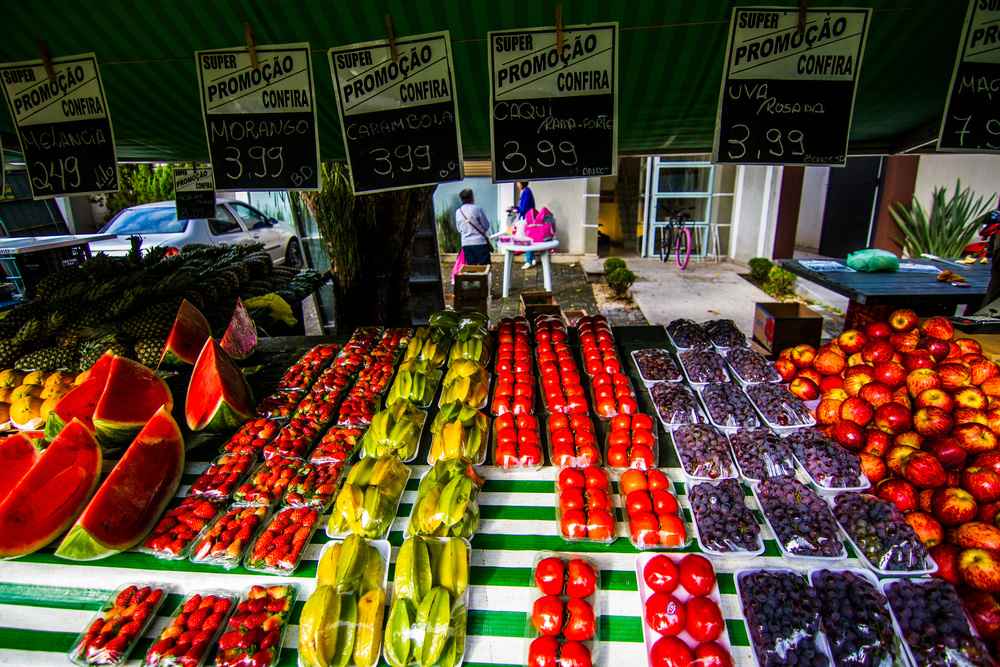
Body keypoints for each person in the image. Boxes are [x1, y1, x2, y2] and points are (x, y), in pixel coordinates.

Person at [455, 189, 493, 267]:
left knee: (471, 268)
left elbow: (459, 229)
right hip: (480, 243)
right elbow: (486, 225)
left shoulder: (458, 212)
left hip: (466, 244)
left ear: (461, 199)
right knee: (485, 267)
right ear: (472, 197)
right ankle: (485, 279)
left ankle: (473, 279)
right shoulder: (477, 209)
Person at [517, 181, 537, 268]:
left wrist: (515, 210)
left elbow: (523, 208)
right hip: (528, 218)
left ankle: (528, 260)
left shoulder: (526, 192)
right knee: (529, 237)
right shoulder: (526, 191)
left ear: (521, 183)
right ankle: (532, 259)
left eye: (517, 182)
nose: (517, 184)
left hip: (527, 219)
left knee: (526, 239)